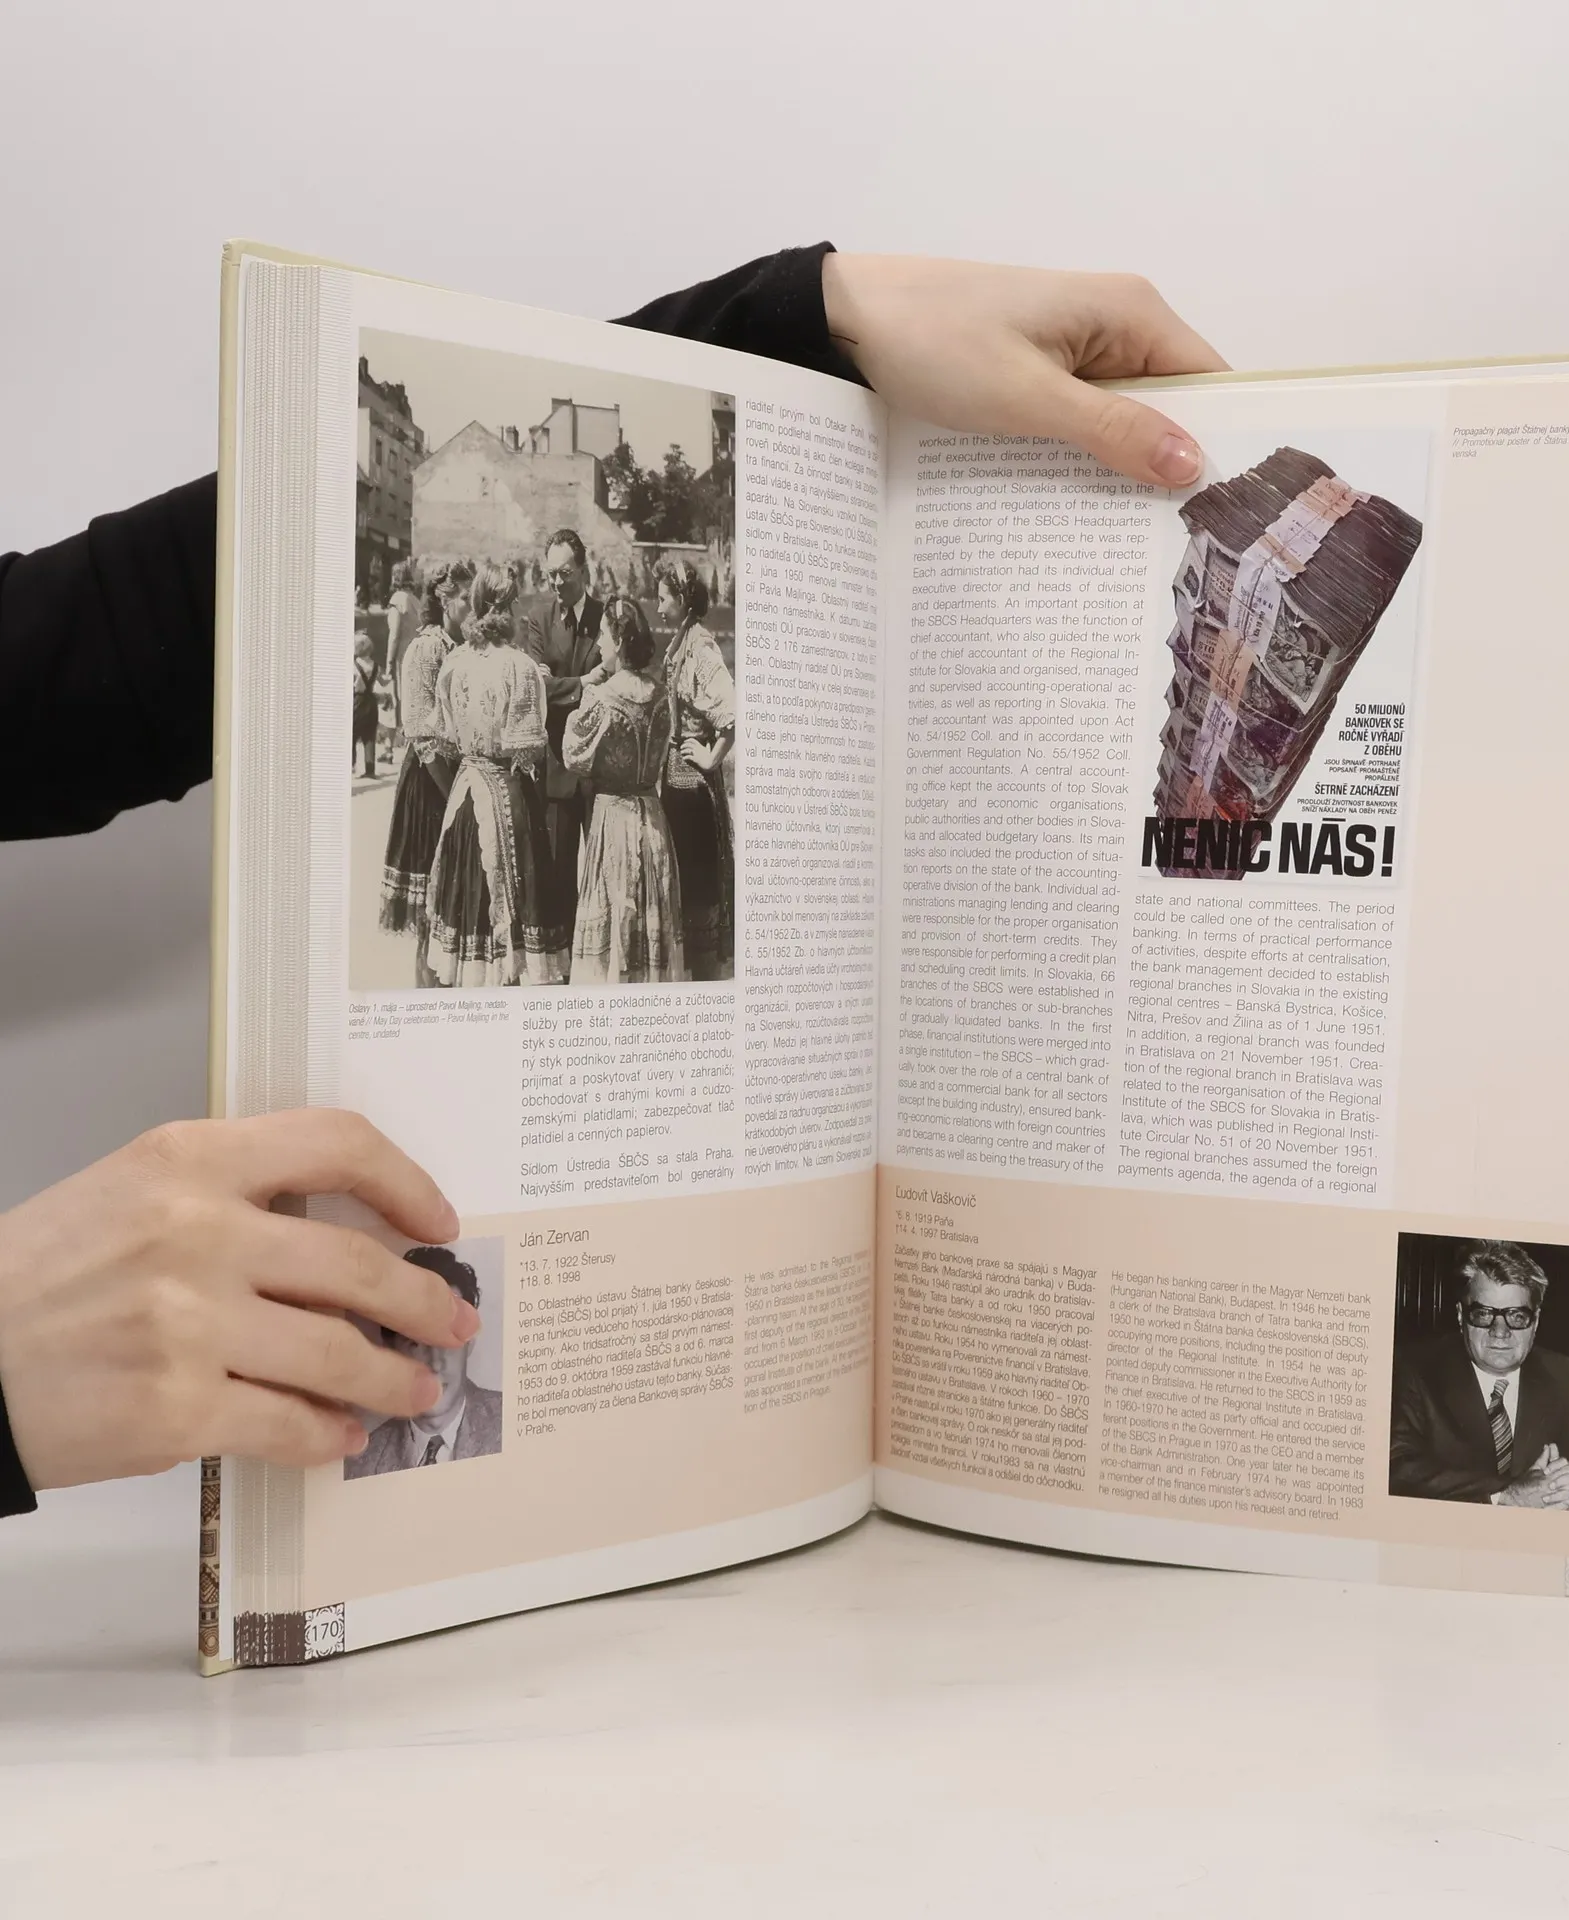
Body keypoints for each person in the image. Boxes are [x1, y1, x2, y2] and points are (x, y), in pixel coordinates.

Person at [0, 246, 1225, 1517]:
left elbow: (78, 653)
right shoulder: (563, 655)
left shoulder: (579, 655)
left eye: (575, 582)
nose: (563, 592)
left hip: (579, 800)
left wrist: (811, 318)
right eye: (550, 582)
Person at [420, 564, 568, 987]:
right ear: (507, 606)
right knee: (513, 935)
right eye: (515, 602)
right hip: (507, 799)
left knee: (472, 921)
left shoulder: (455, 662)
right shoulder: (518, 666)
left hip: (466, 798)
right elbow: (529, 747)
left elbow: (443, 737)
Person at [1388, 1240, 1569, 1507]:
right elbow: (1395, 1468)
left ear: (1535, 1321)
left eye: (1517, 1316)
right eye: (1483, 1314)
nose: (1500, 1331)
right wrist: (1508, 1494)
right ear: (1460, 1315)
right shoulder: (1413, 1371)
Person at [564, 596, 683, 984]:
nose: (599, 643)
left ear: (618, 640)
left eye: (603, 635)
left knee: (614, 928)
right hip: (652, 819)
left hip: (613, 821)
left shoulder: (602, 697)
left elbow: (574, 755)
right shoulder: (662, 695)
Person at [514, 528, 604, 968]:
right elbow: (537, 688)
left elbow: (614, 681)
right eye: (550, 574)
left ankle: (601, 965)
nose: (556, 582)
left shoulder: (607, 617)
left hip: (601, 767)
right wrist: (585, 682)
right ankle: (567, 969)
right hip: (558, 768)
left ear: (584, 570)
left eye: (565, 573)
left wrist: (561, 685)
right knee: (560, 872)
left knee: (603, 873)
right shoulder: (539, 618)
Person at [377, 559, 471, 957]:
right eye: (466, 598)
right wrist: (453, 795)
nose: (473, 606)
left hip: (458, 777)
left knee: (452, 914)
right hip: (430, 781)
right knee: (428, 917)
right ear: (444, 600)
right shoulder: (426, 648)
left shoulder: (464, 646)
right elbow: (420, 731)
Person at [344, 1246, 503, 1476]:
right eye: (416, 1341)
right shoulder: (362, 1464)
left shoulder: (510, 1422)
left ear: (470, 1342)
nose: (435, 1364)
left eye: (447, 1339)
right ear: (391, 1347)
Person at [656, 561, 735, 980]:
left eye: (663, 598)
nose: (658, 607)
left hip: (695, 790)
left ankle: (702, 977)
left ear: (684, 600)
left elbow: (731, 717)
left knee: (698, 888)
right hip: (676, 784)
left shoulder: (701, 648)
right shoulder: (680, 644)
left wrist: (711, 758)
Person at [351, 631, 380, 780]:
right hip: (371, 701)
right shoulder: (376, 666)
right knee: (369, 736)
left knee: (352, 733)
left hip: (357, 700)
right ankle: (370, 769)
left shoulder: (354, 665)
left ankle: (351, 764)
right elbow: (383, 682)